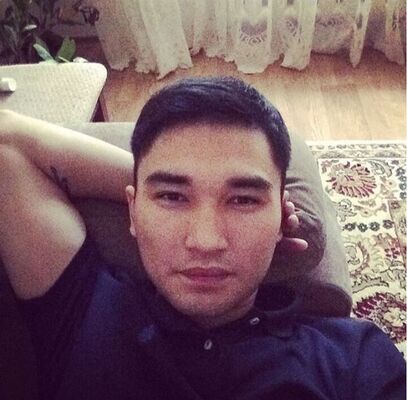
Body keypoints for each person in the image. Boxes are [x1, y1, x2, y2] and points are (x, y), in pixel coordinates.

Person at [0, 77, 405, 400]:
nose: (207, 241)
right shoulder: (85, 305)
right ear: (133, 210)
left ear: (281, 218)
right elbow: (6, 137)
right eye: (172, 197)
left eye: (244, 199)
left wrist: (165, 192)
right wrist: (147, 184)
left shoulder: (355, 359)